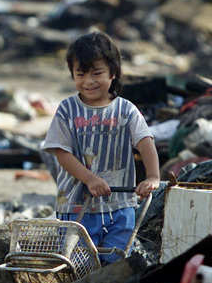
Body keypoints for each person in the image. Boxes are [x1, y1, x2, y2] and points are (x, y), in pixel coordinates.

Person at [42, 30, 159, 264]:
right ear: (72, 75)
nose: (89, 81)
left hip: (121, 205)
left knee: (115, 263)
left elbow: (145, 142)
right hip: (76, 205)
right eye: (81, 74)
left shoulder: (125, 110)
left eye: (97, 73)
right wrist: (90, 179)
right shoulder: (67, 110)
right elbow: (61, 153)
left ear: (113, 73)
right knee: (78, 265)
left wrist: (153, 176)